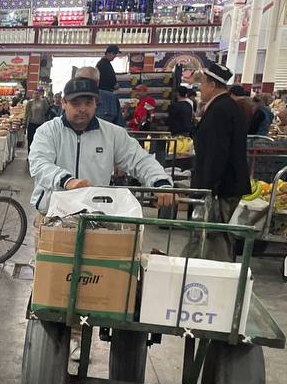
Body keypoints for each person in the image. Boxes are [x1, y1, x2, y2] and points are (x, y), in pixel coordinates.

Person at [29, 76, 174, 214]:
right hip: (52, 212)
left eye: (88, 102)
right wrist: (66, 181)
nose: (82, 109)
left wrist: (160, 182)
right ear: (63, 103)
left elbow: (139, 159)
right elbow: (39, 164)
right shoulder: (48, 131)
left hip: (94, 212)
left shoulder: (113, 134)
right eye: (75, 103)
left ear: (95, 104)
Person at [190, 63, 250, 261]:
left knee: (217, 237)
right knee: (218, 237)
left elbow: (216, 153)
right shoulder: (227, 106)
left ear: (212, 85)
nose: (200, 89)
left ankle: (219, 276)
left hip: (221, 187)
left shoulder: (220, 110)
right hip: (226, 184)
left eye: (202, 84)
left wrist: (208, 190)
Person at [95, 45, 122, 123]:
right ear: (109, 53)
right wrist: (117, 85)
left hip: (102, 93)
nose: (115, 56)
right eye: (114, 54)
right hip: (106, 94)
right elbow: (113, 83)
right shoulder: (105, 65)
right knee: (108, 118)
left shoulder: (102, 63)